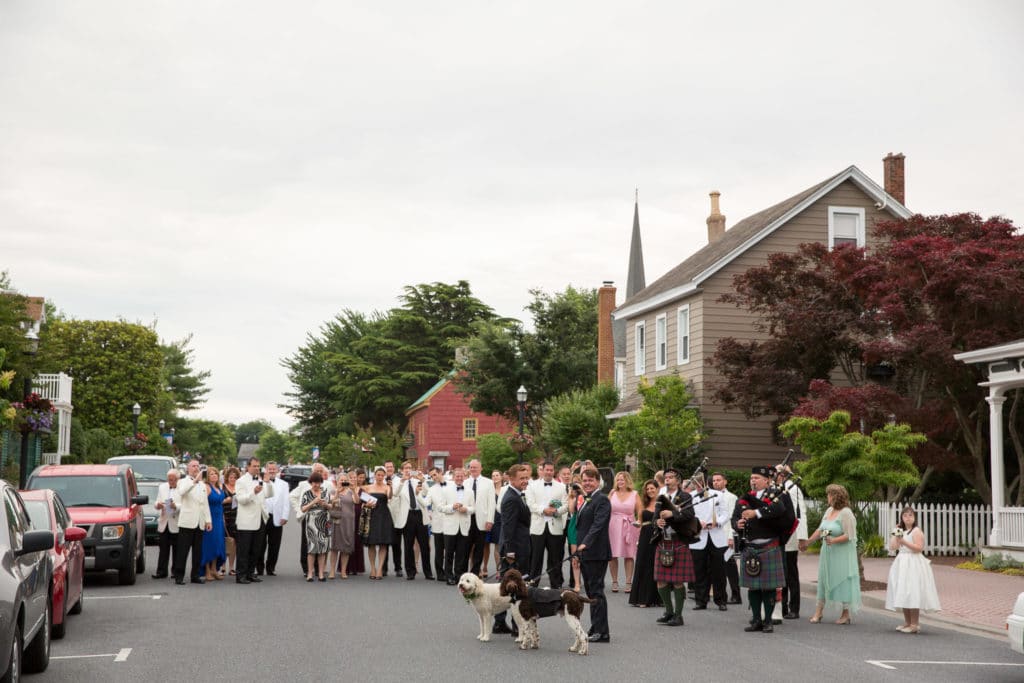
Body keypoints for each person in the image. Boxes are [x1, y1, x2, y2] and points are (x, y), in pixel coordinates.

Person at [733, 466, 792, 633]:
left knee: (768, 587)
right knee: (753, 587)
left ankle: (768, 621)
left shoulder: (773, 495)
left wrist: (756, 513)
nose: (753, 480)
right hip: (750, 546)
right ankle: (756, 620)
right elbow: (734, 517)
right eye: (752, 478)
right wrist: (737, 524)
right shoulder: (744, 498)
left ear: (766, 481)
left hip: (768, 546)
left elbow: (779, 509)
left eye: (756, 478)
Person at [801, 483, 860, 625]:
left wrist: (834, 540)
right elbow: (821, 530)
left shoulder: (846, 513)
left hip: (842, 553)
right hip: (827, 552)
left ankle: (846, 614)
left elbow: (850, 535)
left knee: (842, 580)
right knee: (823, 579)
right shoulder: (829, 511)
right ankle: (818, 611)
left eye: (828, 494)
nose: (827, 497)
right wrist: (808, 542)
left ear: (835, 496)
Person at [885, 505, 941, 633]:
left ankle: (915, 624)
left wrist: (903, 542)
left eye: (910, 515)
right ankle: (907, 622)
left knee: (912, 591)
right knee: (903, 591)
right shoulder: (901, 531)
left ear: (914, 517)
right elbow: (893, 547)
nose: (908, 518)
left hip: (913, 563)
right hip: (901, 563)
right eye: (905, 515)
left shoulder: (916, 531)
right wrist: (895, 532)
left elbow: (919, 547)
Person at [653, 468, 696, 626]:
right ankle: (668, 611)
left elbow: (690, 514)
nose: (667, 480)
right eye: (666, 477)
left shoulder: (685, 496)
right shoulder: (661, 497)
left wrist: (673, 515)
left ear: (678, 480)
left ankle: (678, 615)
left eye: (671, 477)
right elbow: (653, 518)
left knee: (678, 581)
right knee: (660, 580)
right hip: (663, 540)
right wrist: (657, 522)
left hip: (678, 540)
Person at [493, 463, 532, 635]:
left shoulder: (517, 494)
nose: (525, 481)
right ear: (511, 479)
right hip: (513, 549)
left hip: (518, 546)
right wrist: (509, 552)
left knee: (506, 585)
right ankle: (516, 626)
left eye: (526, 477)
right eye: (521, 478)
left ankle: (500, 623)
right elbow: (508, 527)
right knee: (514, 586)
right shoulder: (510, 498)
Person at [574, 467, 612, 643]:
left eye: (590, 480)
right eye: (585, 480)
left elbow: (598, 525)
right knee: (590, 592)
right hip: (585, 552)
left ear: (598, 481)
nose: (587, 483)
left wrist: (585, 543)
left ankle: (602, 632)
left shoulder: (602, 500)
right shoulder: (587, 499)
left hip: (596, 552)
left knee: (596, 591)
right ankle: (595, 626)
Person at [689, 475, 729, 611]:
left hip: (716, 536)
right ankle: (701, 600)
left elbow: (725, 514)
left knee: (719, 571)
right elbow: (687, 515)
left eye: (701, 482)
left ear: (707, 482)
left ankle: (721, 600)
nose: (698, 484)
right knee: (699, 570)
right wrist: (697, 523)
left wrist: (716, 522)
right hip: (699, 537)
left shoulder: (717, 495)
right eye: (696, 482)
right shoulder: (690, 497)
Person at [526, 460, 568, 589]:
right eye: (547, 470)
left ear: (554, 471)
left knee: (555, 560)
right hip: (537, 528)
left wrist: (555, 511)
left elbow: (566, 505)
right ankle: (532, 587)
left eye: (551, 470)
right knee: (535, 559)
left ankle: (556, 587)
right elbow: (530, 504)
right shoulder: (532, 486)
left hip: (555, 528)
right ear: (542, 470)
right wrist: (543, 510)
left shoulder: (561, 487)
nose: (549, 472)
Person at [289, 463, 336, 573]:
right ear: (312, 472)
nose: (319, 473)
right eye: (317, 471)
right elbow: (292, 496)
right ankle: (306, 569)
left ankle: (319, 569)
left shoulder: (328, 485)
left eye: (321, 471)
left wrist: (330, 503)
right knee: (307, 543)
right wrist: (299, 510)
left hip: (323, 518)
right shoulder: (303, 484)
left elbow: (334, 497)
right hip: (308, 517)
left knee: (322, 542)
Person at [775, 464, 808, 619]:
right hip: (781, 535)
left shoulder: (792, 488)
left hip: (791, 535)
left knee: (791, 574)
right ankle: (783, 606)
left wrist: (802, 537)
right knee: (783, 573)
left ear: (782, 474)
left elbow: (799, 513)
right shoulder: (778, 488)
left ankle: (794, 608)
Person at [173, 460, 212, 585]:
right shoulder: (182, 481)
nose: (196, 468)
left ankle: (195, 575)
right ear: (188, 468)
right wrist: (194, 481)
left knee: (198, 551)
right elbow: (182, 492)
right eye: (194, 466)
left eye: (198, 466)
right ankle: (179, 576)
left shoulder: (202, 484)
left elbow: (204, 503)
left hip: (199, 521)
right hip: (187, 522)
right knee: (183, 550)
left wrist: (208, 520)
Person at [434, 466, 475, 584]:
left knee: (461, 554)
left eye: (461, 476)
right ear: (453, 477)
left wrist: (466, 509)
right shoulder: (445, 490)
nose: (459, 478)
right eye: (457, 476)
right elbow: (440, 507)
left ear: (465, 477)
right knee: (449, 553)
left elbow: (473, 508)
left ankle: (459, 576)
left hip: (464, 526)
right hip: (450, 527)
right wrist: (452, 507)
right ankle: (449, 576)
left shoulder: (470, 491)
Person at [393, 461, 433, 580]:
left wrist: (423, 480)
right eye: (406, 468)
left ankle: (428, 572)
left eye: (410, 468)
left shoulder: (417, 481)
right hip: (408, 516)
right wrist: (403, 480)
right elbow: (395, 494)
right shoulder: (398, 482)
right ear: (401, 470)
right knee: (408, 545)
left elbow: (426, 492)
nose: (408, 470)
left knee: (424, 545)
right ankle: (410, 571)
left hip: (420, 514)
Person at [235, 457, 272, 585]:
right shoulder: (241, 481)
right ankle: (241, 575)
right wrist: (253, 492)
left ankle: (251, 573)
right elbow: (241, 500)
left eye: (258, 466)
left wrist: (268, 482)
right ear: (248, 467)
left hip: (260, 518)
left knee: (256, 549)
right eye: (254, 466)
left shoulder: (260, 480)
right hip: (246, 521)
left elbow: (269, 494)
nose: (257, 468)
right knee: (244, 550)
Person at [628, 479, 663, 608]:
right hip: (645, 536)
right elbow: (640, 521)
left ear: (657, 489)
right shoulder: (644, 503)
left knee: (655, 566)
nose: (649, 491)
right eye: (647, 489)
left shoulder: (662, 503)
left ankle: (656, 598)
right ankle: (641, 598)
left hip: (658, 535)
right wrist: (637, 524)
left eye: (652, 488)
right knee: (642, 565)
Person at [711, 472, 742, 605]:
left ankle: (736, 594)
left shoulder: (731, 497)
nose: (716, 482)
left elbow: (732, 518)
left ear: (725, 482)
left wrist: (731, 537)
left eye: (719, 480)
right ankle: (719, 593)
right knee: (716, 566)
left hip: (726, 535)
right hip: (713, 535)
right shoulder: (710, 496)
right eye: (714, 481)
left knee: (730, 567)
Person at [607, 471, 640, 594]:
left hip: (629, 525)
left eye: (622, 480)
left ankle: (628, 582)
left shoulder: (634, 494)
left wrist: (640, 522)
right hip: (613, 525)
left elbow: (640, 510)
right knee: (612, 555)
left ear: (627, 481)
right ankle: (614, 581)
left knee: (629, 554)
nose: (620, 482)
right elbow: (605, 508)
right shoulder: (612, 493)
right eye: (618, 480)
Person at [465, 460, 496, 577]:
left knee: (479, 548)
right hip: (467, 519)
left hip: (482, 520)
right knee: (465, 547)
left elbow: (491, 503)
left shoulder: (488, 483)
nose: (473, 469)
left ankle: (475, 572)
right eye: (471, 467)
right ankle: (464, 572)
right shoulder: (465, 482)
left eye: (475, 467)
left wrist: (490, 520)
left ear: (481, 468)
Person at [363, 466, 394, 580]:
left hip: (384, 516)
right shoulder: (368, 487)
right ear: (375, 476)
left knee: (383, 543)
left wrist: (391, 487)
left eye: (382, 475)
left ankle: (380, 569)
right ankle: (372, 568)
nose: (380, 477)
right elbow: (362, 502)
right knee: (371, 544)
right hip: (371, 516)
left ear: (384, 476)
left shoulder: (387, 487)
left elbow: (390, 497)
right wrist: (367, 504)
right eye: (378, 475)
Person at [260, 461, 290, 577]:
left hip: (277, 517)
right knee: (260, 544)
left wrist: (285, 516)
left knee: (275, 544)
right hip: (263, 516)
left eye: (274, 469)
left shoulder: (284, 484)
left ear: (277, 470)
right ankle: (260, 567)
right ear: (266, 470)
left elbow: (286, 502)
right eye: (269, 469)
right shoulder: (259, 482)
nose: (272, 471)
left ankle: (271, 567)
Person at [301, 471, 331, 581]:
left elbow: (331, 506)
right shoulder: (307, 493)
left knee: (323, 549)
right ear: (310, 482)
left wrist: (325, 504)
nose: (316, 485)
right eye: (314, 482)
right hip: (311, 524)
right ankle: (309, 573)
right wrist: (313, 502)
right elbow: (303, 508)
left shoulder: (325, 492)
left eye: (318, 482)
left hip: (324, 523)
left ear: (321, 483)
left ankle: (321, 574)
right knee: (311, 549)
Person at [328, 471, 357, 579]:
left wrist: (354, 491)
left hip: (348, 522)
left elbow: (357, 501)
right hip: (337, 521)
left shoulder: (350, 491)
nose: (343, 482)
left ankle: (344, 571)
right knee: (335, 547)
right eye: (341, 480)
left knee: (346, 547)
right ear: (337, 481)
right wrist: (337, 492)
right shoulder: (333, 491)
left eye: (345, 480)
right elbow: (331, 504)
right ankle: (332, 571)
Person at [201, 467, 226, 581]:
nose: (214, 476)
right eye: (211, 474)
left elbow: (221, 502)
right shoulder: (206, 487)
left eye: (216, 473)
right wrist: (207, 520)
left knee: (218, 544)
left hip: (219, 518)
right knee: (209, 544)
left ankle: (214, 569)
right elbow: (203, 504)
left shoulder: (219, 487)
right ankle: (207, 571)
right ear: (207, 476)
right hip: (210, 519)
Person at [383, 460, 403, 577]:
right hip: (383, 516)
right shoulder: (379, 480)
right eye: (387, 467)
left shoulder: (399, 481)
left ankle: (398, 568)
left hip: (396, 516)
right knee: (384, 544)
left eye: (391, 467)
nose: (389, 468)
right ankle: (384, 568)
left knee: (396, 544)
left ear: (394, 468)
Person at [565, 473, 584, 592]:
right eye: (574, 483)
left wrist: (582, 492)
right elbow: (571, 510)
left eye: (578, 482)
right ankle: (577, 583)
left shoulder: (587, 494)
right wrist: (572, 495)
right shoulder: (572, 496)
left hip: (586, 524)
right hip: (574, 524)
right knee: (575, 556)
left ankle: (586, 580)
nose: (576, 485)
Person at [349, 469, 367, 576]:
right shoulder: (344, 489)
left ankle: (357, 567)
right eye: (351, 478)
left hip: (358, 518)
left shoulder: (362, 489)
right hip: (346, 518)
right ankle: (346, 566)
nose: (353, 479)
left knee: (357, 541)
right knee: (347, 541)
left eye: (355, 478)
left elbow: (362, 501)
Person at [222, 467, 240, 576]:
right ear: (227, 478)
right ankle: (223, 566)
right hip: (225, 516)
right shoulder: (222, 488)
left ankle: (232, 567)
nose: (233, 479)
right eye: (231, 477)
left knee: (234, 543)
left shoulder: (240, 488)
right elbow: (217, 501)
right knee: (224, 541)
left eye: (235, 477)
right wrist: (226, 501)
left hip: (237, 517)